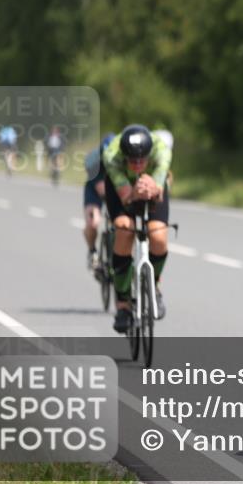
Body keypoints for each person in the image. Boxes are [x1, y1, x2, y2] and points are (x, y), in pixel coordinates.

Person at [103, 125, 173, 332]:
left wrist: (153, 188)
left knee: (158, 235)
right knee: (124, 229)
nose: (137, 164)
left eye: (142, 160)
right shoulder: (112, 156)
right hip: (121, 189)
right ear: (124, 156)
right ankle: (123, 304)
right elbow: (125, 196)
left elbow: (159, 190)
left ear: (150, 155)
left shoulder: (161, 150)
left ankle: (155, 286)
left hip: (153, 185)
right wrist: (134, 192)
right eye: (132, 160)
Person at [83, 133, 116, 270]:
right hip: (95, 188)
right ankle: (92, 251)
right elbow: (102, 190)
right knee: (94, 222)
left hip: (115, 185)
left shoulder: (123, 156)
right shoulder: (93, 161)